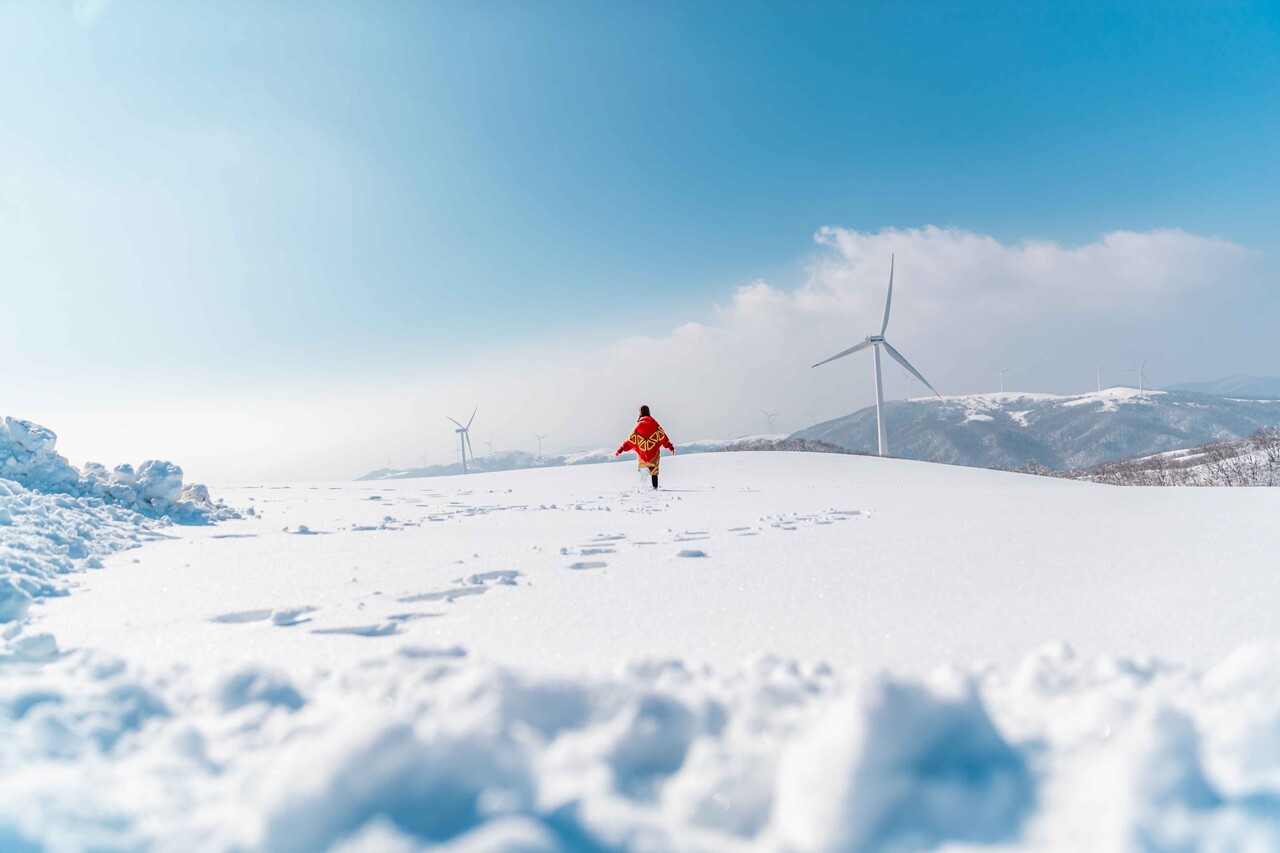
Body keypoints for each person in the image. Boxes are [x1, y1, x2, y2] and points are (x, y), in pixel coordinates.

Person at [615, 404, 675, 489]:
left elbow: (630, 441)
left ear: (640, 413)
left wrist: (620, 449)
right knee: (654, 470)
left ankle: (644, 472)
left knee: (643, 467)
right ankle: (655, 487)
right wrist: (670, 447)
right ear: (649, 412)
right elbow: (663, 437)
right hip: (654, 452)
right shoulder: (655, 424)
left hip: (643, 453)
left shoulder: (638, 426)